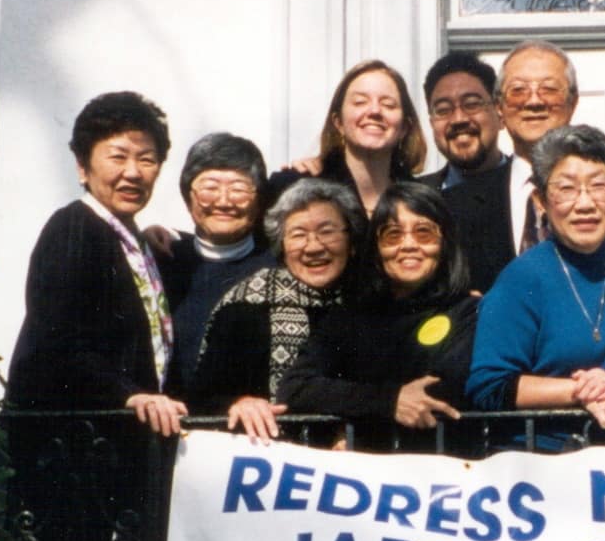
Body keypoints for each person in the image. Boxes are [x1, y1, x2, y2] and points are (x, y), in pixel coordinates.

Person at [1, 90, 182, 541]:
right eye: (118, 156)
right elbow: (61, 337)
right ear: (83, 166)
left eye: (146, 157)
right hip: (58, 465)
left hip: (98, 466)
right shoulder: (74, 230)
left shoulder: (125, 237)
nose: (133, 169)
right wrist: (127, 393)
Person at [279, 181, 479, 447]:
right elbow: (295, 388)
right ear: (377, 247)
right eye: (393, 235)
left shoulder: (468, 311)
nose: (408, 245)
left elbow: (440, 391)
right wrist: (388, 401)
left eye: (424, 233)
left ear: (444, 243)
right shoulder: (350, 316)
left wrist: (352, 413)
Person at [446, 40, 605, 292]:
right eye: (518, 90)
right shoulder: (456, 205)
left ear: (573, 102)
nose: (534, 101)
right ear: (499, 106)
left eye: (549, 89)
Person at [467, 125, 605, 432]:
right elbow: (488, 385)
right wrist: (582, 392)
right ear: (541, 201)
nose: (584, 204)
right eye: (567, 189)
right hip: (546, 461)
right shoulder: (522, 277)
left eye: (598, 186)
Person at [185, 178, 364, 441]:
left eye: (327, 231)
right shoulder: (245, 307)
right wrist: (238, 403)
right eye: (298, 234)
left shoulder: (369, 305)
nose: (313, 247)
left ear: (351, 242)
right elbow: (201, 400)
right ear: (282, 247)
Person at [162, 133, 275, 404]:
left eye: (238, 189)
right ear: (188, 197)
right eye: (210, 187)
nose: (224, 202)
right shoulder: (162, 262)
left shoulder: (279, 268)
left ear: (259, 200)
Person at [262, 59, 428, 215]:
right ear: (338, 122)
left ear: (405, 127)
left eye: (388, 105)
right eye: (360, 102)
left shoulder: (423, 200)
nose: (374, 111)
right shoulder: (292, 186)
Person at [419, 51, 506, 188]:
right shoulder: (414, 200)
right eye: (443, 110)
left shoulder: (533, 190)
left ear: (500, 113)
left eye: (471, 104)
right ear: (432, 123)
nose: (459, 119)